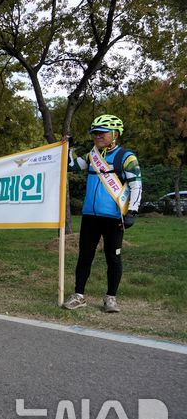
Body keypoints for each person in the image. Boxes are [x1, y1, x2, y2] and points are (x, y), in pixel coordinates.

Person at [62, 114, 142, 313]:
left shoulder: (126, 157)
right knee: (84, 256)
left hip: (114, 217)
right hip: (90, 216)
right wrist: (67, 148)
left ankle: (110, 298)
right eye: (94, 133)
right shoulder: (92, 155)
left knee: (113, 257)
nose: (97, 136)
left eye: (101, 133)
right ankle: (79, 295)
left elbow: (136, 185)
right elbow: (69, 166)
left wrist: (132, 211)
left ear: (115, 134)